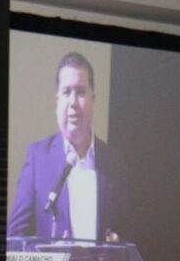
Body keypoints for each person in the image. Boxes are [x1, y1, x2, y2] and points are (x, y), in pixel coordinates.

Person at [8, 52, 127, 242]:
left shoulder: (113, 161)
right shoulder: (38, 158)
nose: (73, 102)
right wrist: (51, 255)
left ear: (93, 100)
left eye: (80, 92)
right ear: (57, 103)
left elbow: (127, 233)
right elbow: (15, 238)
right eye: (66, 92)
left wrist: (117, 244)